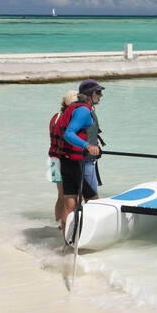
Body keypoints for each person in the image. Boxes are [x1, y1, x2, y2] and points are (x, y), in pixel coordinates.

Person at [57, 79, 104, 236]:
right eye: (98, 92)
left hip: (66, 161)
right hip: (82, 162)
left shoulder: (73, 109)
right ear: (90, 95)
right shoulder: (83, 110)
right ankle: (91, 236)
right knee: (94, 202)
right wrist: (87, 146)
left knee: (70, 204)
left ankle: (67, 241)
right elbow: (69, 133)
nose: (101, 95)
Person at [48, 89, 78, 226]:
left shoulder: (55, 117)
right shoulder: (70, 118)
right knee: (71, 196)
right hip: (65, 160)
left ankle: (58, 224)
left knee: (60, 196)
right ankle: (69, 225)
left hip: (53, 160)